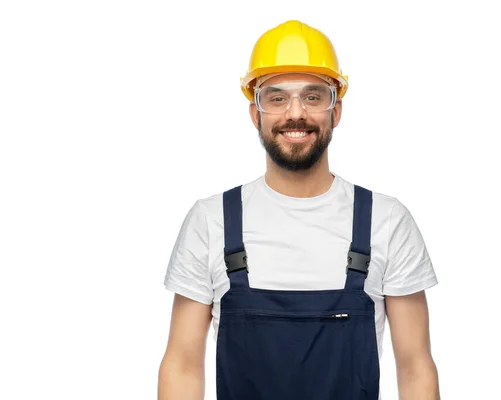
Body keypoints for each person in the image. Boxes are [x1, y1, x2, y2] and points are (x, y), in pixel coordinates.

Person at [158, 20, 440, 400]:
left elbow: (415, 367)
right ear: (255, 114)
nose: (296, 113)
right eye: (276, 98)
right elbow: (183, 363)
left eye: (313, 96)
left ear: (335, 111)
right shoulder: (211, 222)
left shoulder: (386, 221)